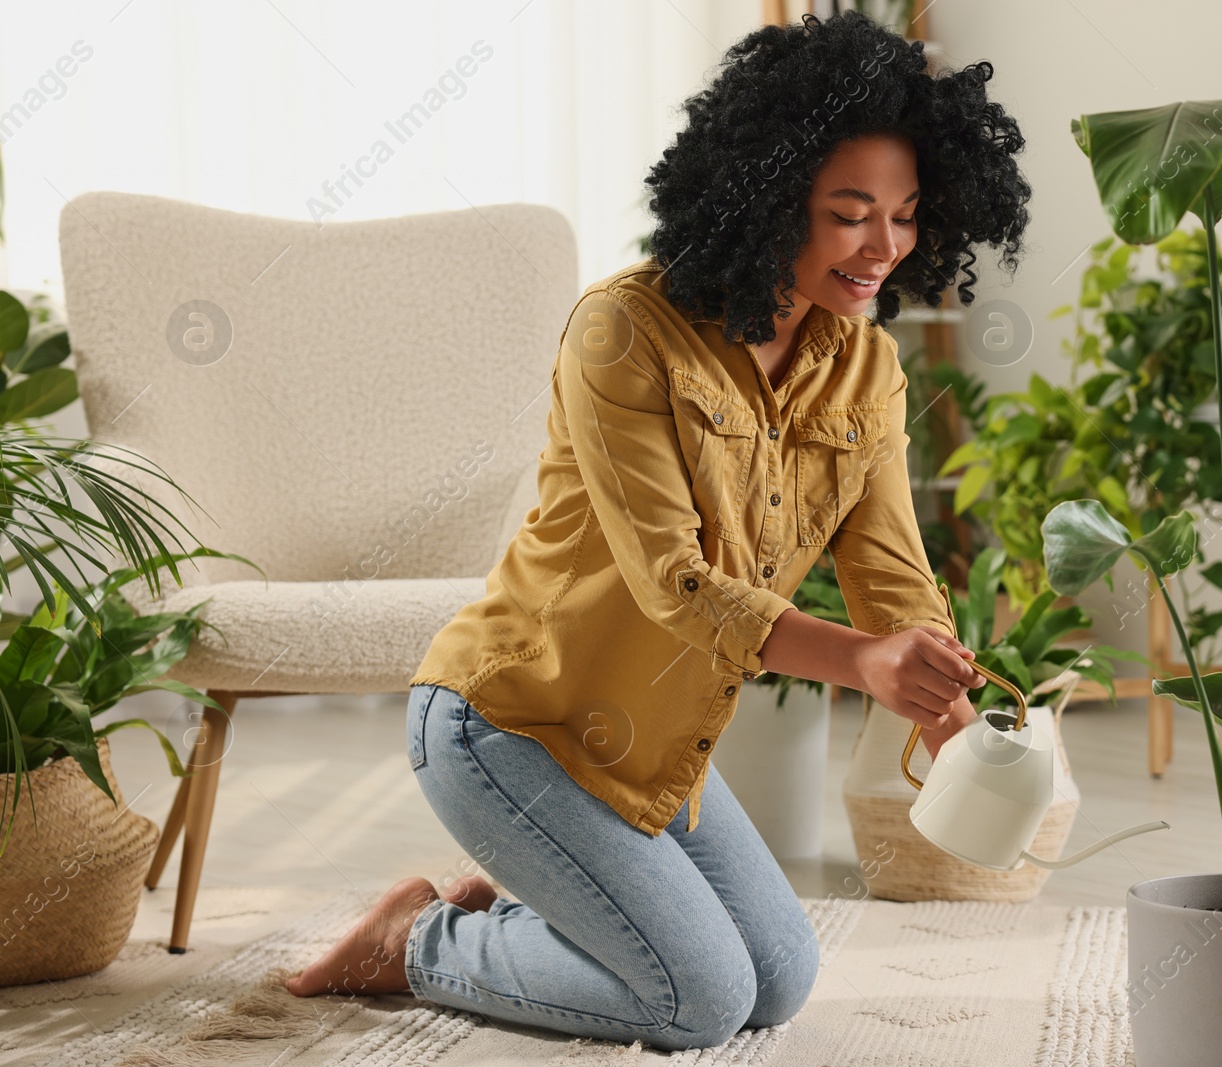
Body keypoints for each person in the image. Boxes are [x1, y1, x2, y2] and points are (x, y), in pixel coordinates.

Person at [285, 9, 1031, 1051]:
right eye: (850, 212)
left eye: (905, 216)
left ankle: (522, 911)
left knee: (779, 979)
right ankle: (414, 942)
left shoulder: (868, 371)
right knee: (697, 1001)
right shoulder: (625, 327)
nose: (883, 248)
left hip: (650, 742)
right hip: (506, 720)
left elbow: (893, 573)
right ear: (772, 200)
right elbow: (671, 582)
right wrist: (863, 660)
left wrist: (942, 706)